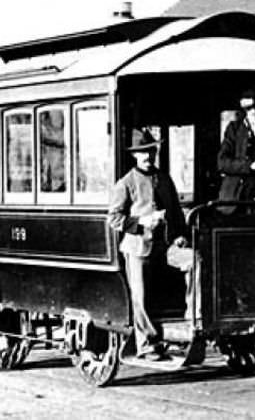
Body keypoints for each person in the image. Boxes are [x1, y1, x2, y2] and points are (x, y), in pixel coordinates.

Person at [107, 128, 189, 360]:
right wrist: (141, 222)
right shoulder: (126, 183)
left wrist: (180, 234)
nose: (148, 156)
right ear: (135, 155)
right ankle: (146, 344)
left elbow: (175, 212)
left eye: (151, 151)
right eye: (143, 152)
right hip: (138, 248)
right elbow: (114, 219)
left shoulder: (164, 179)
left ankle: (186, 328)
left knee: (185, 273)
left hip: (164, 247)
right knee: (141, 297)